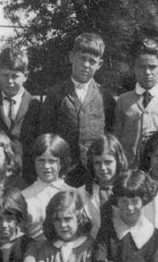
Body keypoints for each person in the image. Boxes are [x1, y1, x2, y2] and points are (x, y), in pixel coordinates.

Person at [37, 32, 116, 187]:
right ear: (72, 57)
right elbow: (45, 134)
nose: (86, 65)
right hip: (63, 175)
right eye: (82, 58)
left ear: (99, 65)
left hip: (94, 174)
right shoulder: (56, 94)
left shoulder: (105, 96)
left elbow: (111, 134)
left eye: (92, 61)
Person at [114, 38, 158, 165]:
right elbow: (116, 140)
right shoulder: (123, 101)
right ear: (133, 67)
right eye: (141, 67)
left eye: (152, 67)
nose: (147, 72)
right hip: (131, 170)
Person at [21, 133, 77, 240]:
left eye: (52, 161)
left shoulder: (74, 194)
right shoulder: (24, 197)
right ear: (33, 162)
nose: (46, 166)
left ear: (62, 163)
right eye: (41, 160)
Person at [77, 134, 128, 239]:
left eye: (108, 162)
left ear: (118, 161)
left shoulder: (128, 189)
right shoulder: (82, 193)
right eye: (97, 163)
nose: (103, 168)